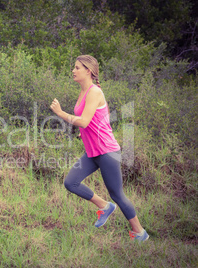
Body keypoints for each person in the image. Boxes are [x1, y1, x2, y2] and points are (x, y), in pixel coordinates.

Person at [50, 55, 149, 242]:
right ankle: (104, 206)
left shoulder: (94, 92)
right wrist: (84, 133)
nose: (73, 70)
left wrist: (61, 113)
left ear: (88, 71)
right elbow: (96, 120)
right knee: (70, 183)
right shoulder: (83, 92)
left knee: (117, 194)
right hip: (92, 151)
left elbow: (85, 121)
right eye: (74, 67)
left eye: (77, 67)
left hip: (107, 152)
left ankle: (139, 232)